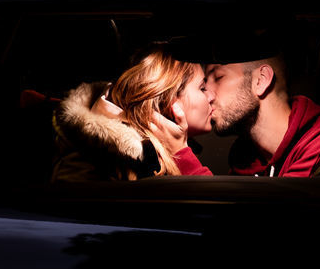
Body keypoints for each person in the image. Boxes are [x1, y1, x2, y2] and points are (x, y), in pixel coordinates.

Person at [155, 43, 320, 177]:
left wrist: (181, 155)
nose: (208, 94)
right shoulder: (246, 157)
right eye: (204, 84)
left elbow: (256, 227)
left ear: (260, 81)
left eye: (218, 77)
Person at [52, 47, 213, 181]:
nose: (211, 96)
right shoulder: (104, 162)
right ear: (169, 100)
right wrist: (182, 154)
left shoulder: (150, 153)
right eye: (202, 88)